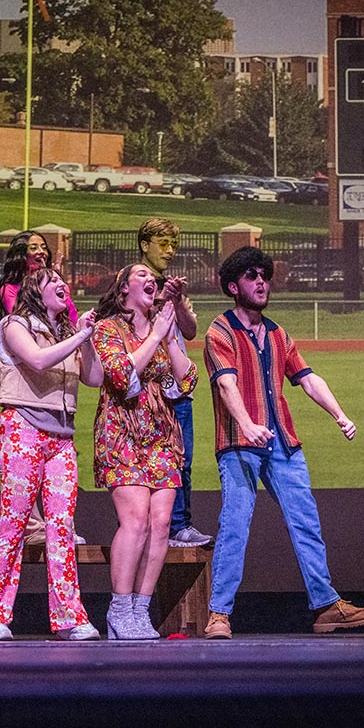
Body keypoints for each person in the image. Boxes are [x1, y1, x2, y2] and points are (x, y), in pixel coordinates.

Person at [201, 247, 364, 639]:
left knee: (307, 524)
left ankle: (326, 605)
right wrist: (247, 424)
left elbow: (308, 378)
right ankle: (219, 614)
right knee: (235, 525)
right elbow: (226, 383)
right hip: (239, 445)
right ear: (234, 286)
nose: (261, 281)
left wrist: (340, 414)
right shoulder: (220, 331)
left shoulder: (279, 333)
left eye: (264, 274)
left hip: (282, 444)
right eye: (251, 276)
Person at [0, 268, 103, 641]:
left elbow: (93, 378)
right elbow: (37, 360)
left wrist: (86, 339)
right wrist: (79, 334)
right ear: (35, 290)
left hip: (61, 438)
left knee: (62, 526)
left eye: (65, 280)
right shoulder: (15, 324)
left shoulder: (67, 332)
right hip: (23, 428)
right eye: (54, 282)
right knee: (14, 521)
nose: (64, 285)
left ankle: (69, 618)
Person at [92, 263, 198, 639]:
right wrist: (154, 335)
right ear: (123, 289)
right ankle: (119, 609)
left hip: (162, 432)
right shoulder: (107, 329)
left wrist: (169, 336)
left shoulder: (162, 327)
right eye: (141, 276)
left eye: (152, 277)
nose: (150, 279)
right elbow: (120, 375)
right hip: (122, 429)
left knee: (161, 523)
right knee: (135, 519)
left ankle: (140, 609)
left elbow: (186, 381)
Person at [0, 230, 85, 545]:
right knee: (20, 487)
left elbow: (66, 318)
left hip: (58, 403)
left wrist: (72, 322)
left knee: (57, 480)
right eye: (33, 248)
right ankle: (31, 525)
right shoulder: (13, 292)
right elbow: (26, 316)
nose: (40, 252)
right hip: (27, 380)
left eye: (43, 247)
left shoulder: (55, 286)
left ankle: (55, 527)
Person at [137, 218, 212, 549]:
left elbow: (191, 330)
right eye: (163, 243)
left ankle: (180, 526)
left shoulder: (173, 286)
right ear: (145, 244)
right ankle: (148, 527)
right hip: (143, 392)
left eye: (173, 245)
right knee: (143, 463)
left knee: (183, 460)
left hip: (176, 389)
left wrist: (177, 300)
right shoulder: (132, 280)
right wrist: (157, 300)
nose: (169, 251)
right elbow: (128, 325)